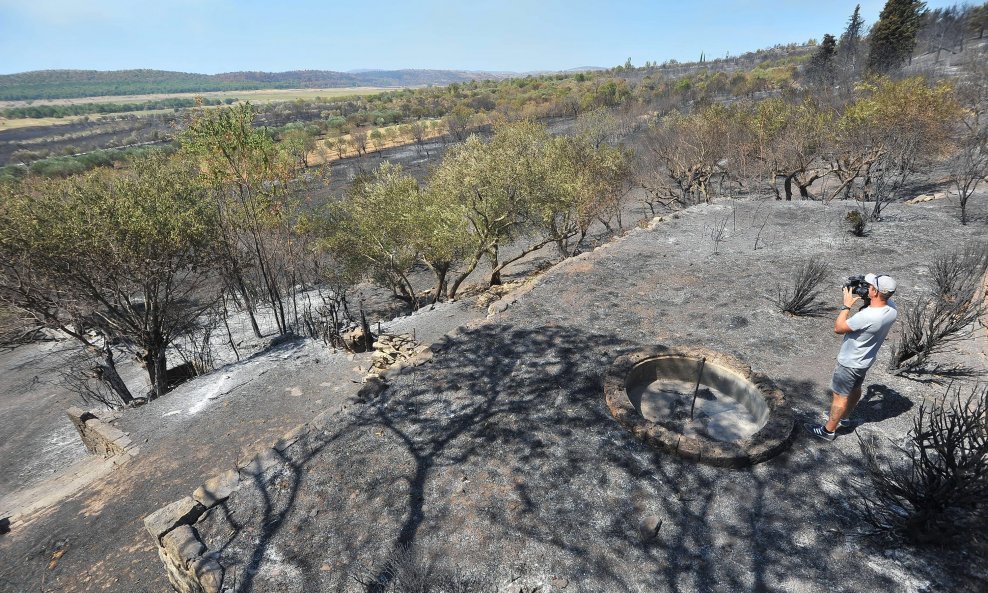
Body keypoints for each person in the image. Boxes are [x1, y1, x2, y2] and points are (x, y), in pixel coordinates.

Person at [806, 273, 897, 441]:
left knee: (839, 396)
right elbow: (877, 301)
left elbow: (839, 328)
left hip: (849, 362)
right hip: (865, 361)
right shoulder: (891, 309)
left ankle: (828, 431)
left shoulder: (867, 316)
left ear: (876, 292)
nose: (866, 288)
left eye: (870, 287)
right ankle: (845, 417)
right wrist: (867, 295)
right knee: (855, 389)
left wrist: (846, 306)